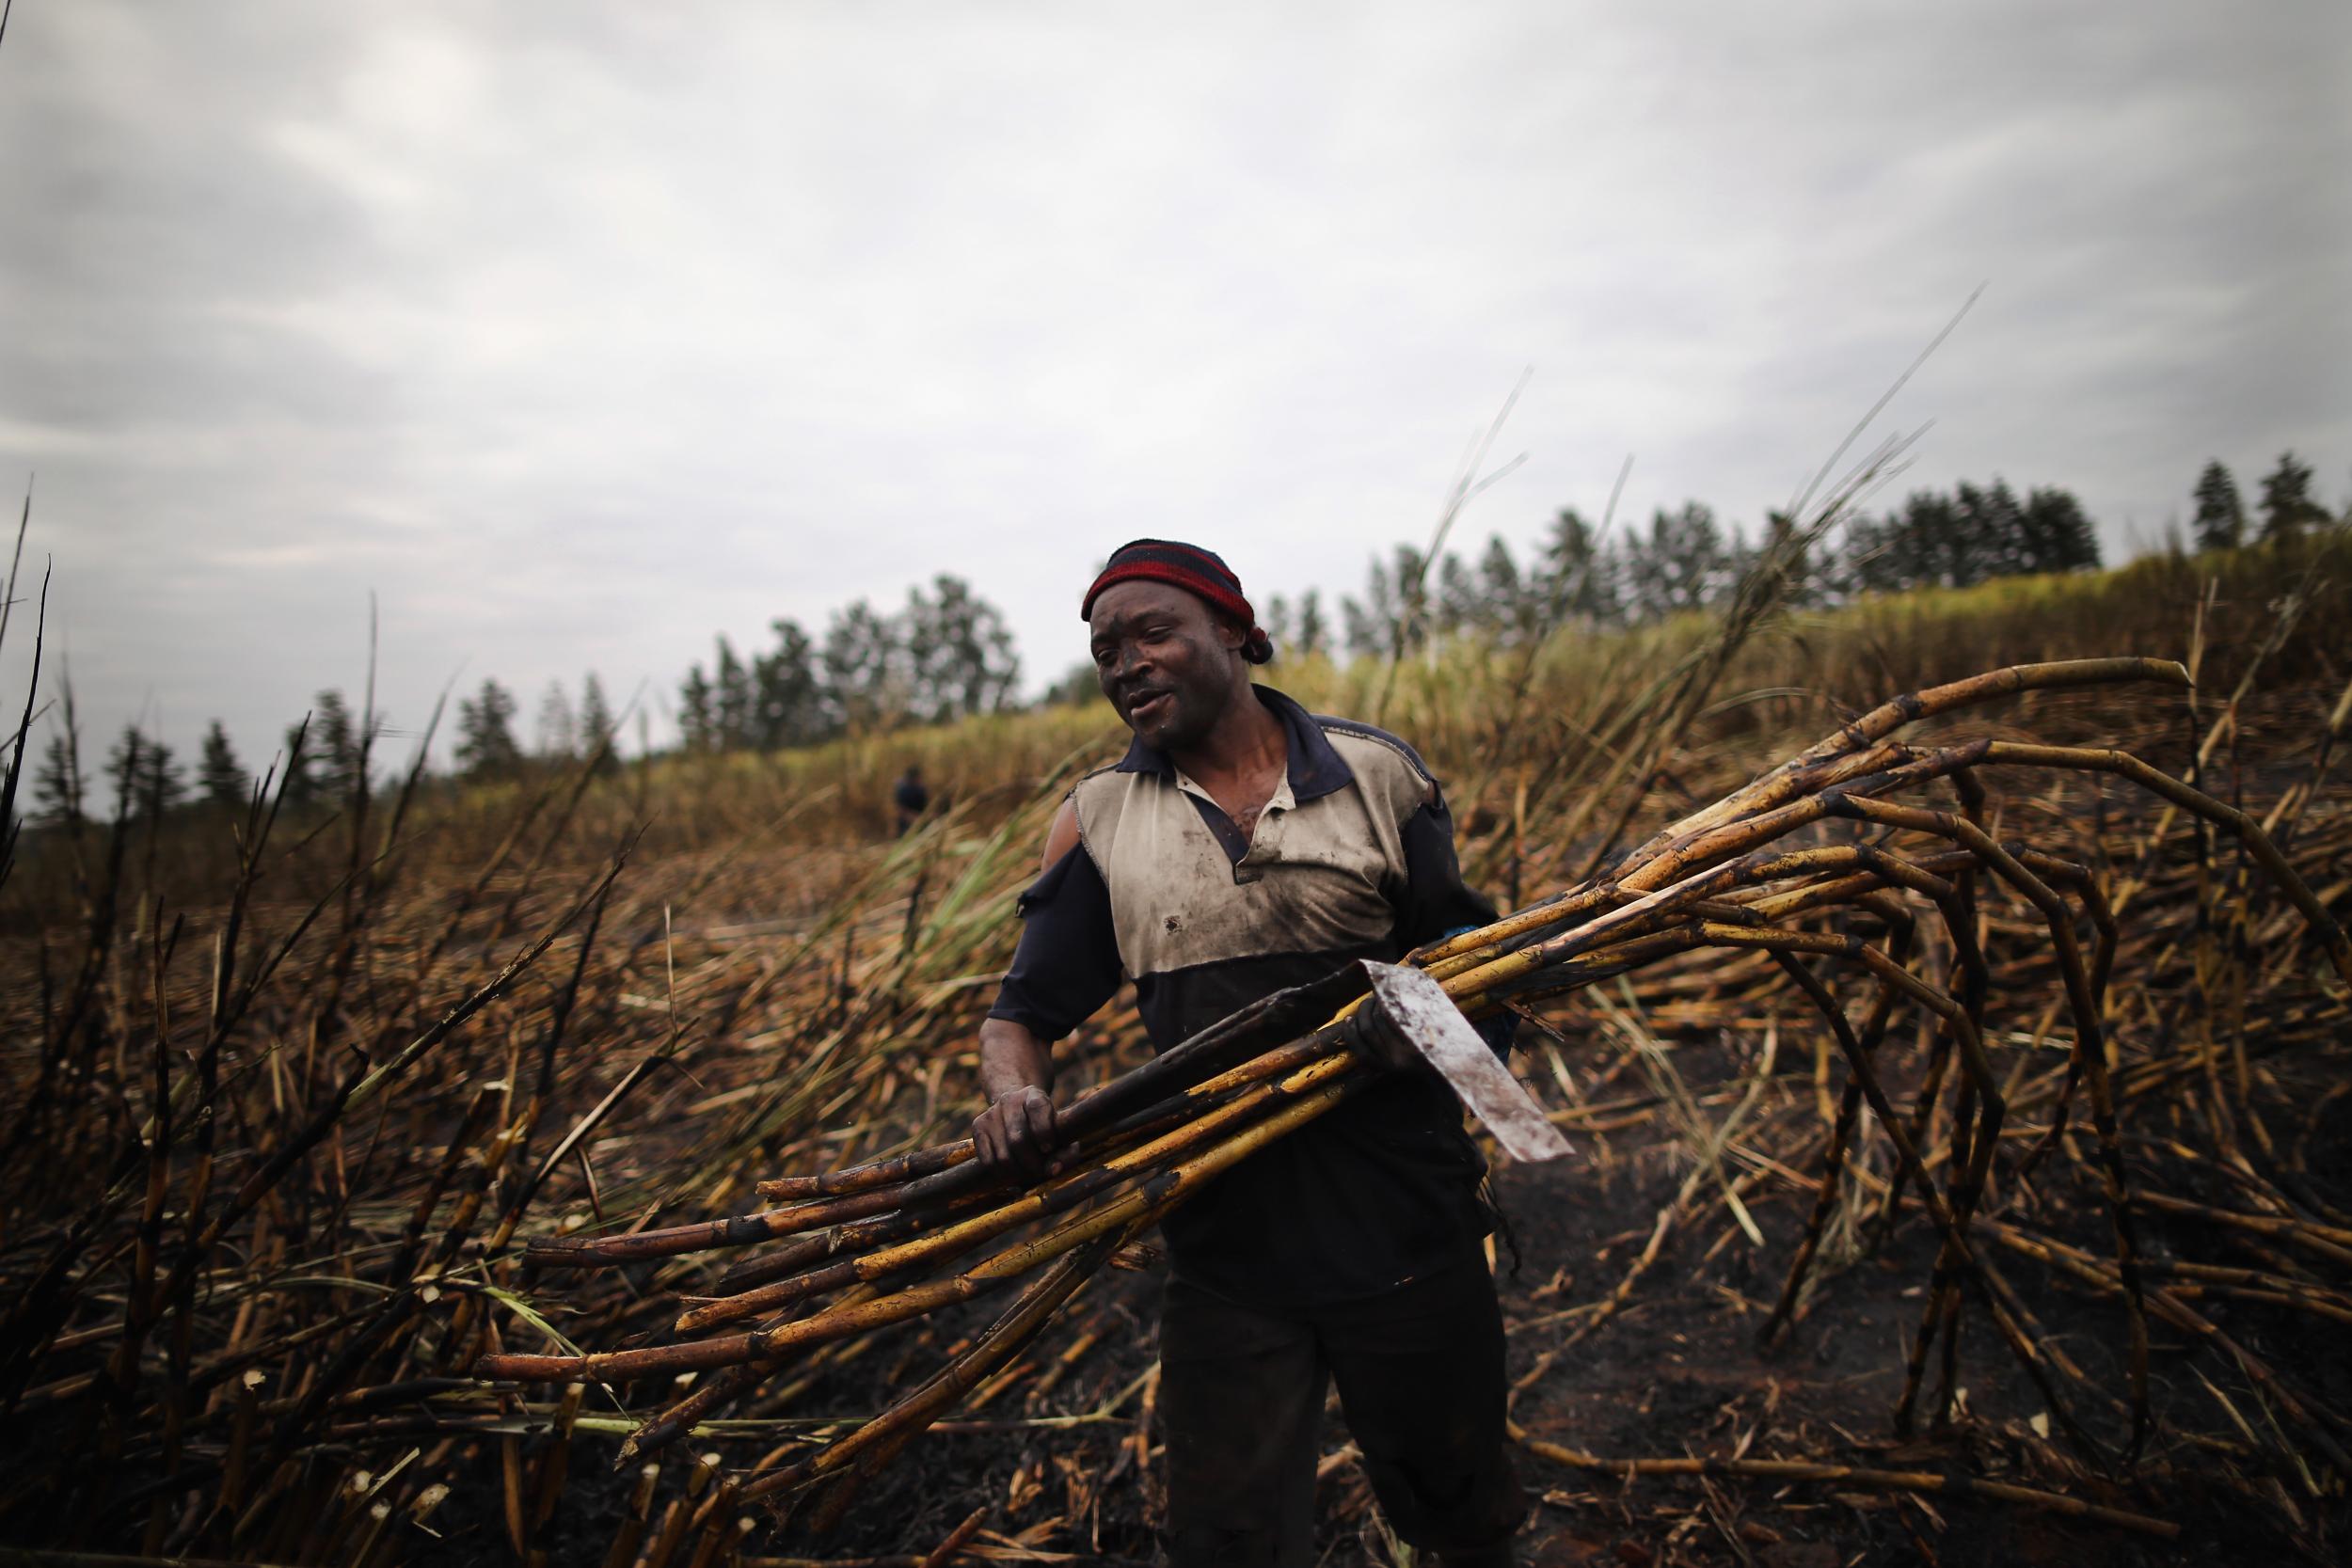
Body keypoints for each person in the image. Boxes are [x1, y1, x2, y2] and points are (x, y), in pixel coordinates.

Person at [973, 539, 1527, 1567]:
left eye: (1152, 631)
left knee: (1464, 1515)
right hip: (1226, 1253)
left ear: (1233, 629)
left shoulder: (1376, 776)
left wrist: (1416, 1016)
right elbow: (1019, 1015)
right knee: (1228, 1537)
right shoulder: (1099, 821)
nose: (1125, 662)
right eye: (1105, 650)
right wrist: (1013, 1096)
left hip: (1408, 1232)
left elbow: (1481, 977)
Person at [892, 763, 930, 835]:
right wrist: (913, 818)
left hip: (919, 819)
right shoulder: (902, 789)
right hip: (906, 822)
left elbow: (924, 807)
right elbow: (900, 809)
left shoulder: (921, 789)